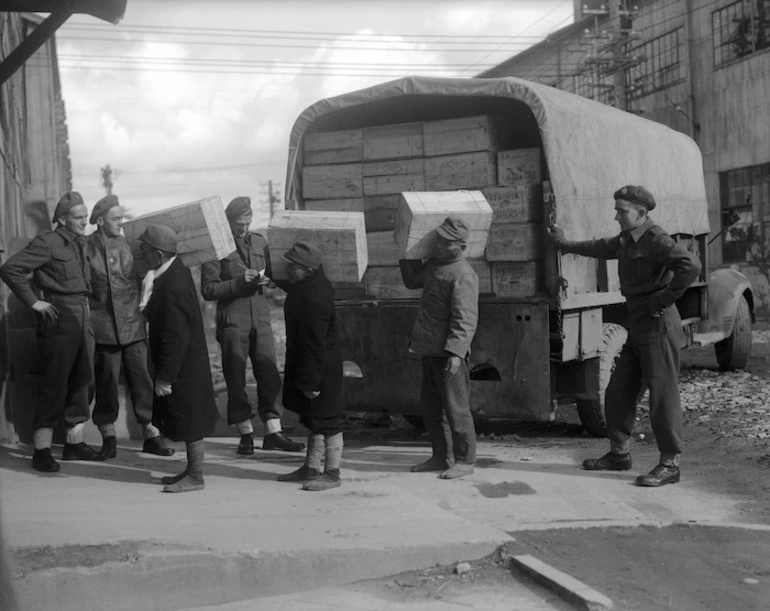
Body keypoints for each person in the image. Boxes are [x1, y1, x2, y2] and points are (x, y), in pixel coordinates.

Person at [547, 185, 701, 487]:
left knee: (662, 395)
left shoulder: (657, 239)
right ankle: (619, 454)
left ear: (641, 213)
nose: (616, 215)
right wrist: (564, 242)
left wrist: (664, 299)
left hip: (658, 323)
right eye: (617, 210)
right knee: (618, 391)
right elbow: (600, 247)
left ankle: (670, 464)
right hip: (637, 323)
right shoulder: (627, 240)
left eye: (622, 210)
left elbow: (690, 265)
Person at [0, 191, 102, 471]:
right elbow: (11, 269)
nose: (85, 222)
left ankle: (74, 443)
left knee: (84, 381)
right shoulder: (47, 243)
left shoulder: (79, 243)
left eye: (85, 216)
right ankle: (41, 451)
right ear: (62, 219)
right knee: (54, 383)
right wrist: (34, 302)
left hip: (82, 315)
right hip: (59, 318)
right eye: (79, 217)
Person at [201, 196, 304, 455]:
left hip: (261, 317)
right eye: (239, 223)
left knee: (268, 374)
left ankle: (273, 432)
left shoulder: (260, 242)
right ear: (228, 222)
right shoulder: (217, 247)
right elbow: (208, 289)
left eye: (247, 222)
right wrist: (239, 282)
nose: (244, 228)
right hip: (233, 321)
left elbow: (273, 271)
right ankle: (245, 433)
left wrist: (269, 280)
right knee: (235, 377)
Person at [86, 195, 174, 459]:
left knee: (142, 380)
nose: (120, 223)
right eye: (115, 219)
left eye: (121, 218)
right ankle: (109, 438)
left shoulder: (130, 245)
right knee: (106, 384)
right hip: (102, 328)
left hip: (133, 327)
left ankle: (151, 434)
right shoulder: (86, 248)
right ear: (100, 221)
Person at [138, 225, 219, 493]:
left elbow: (174, 337)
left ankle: (196, 476)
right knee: (187, 416)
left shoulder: (172, 285)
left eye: (145, 249)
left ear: (158, 254)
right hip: (185, 363)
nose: (141, 252)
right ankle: (190, 470)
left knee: (190, 420)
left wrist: (165, 376)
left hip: (182, 366)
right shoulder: (171, 272)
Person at [399, 216, 479, 480]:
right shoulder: (435, 265)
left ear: (459, 246)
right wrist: (406, 249)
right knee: (431, 409)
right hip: (430, 349)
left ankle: (465, 461)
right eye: (438, 240)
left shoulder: (463, 275)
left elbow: (465, 318)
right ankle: (440, 456)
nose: (438, 246)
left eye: (445, 243)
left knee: (457, 409)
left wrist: (456, 353)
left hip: (448, 354)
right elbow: (412, 282)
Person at [275, 241, 344, 491]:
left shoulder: (315, 298)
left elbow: (316, 344)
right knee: (313, 419)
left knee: (328, 421)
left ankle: (332, 473)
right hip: (311, 364)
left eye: (293, 267)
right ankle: (311, 468)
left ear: (308, 270)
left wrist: (310, 382)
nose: (288, 271)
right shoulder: (308, 286)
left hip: (320, 368)